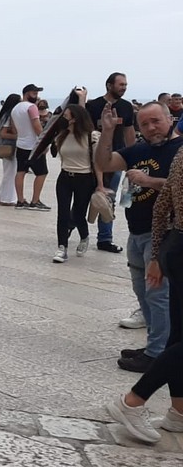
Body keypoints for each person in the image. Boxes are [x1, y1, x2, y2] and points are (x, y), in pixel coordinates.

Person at [94, 101, 183, 373]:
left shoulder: (179, 150)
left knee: (158, 295)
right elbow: (104, 162)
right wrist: (107, 132)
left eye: (156, 121)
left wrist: (150, 182)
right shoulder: (139, 150)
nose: (151, 128)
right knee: (143, 293)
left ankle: (158, 354)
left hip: (165, 234)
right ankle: (154, 345)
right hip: (137, 230)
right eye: (144, 124)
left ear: (170, 119)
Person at [105, 151, 183, 443]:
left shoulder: (180, 154)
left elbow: (163, 204)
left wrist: (158, 253)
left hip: (177, 247)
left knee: (178, 337)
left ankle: (178, 411)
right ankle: (132, 401)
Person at [86, 73, 136, 254]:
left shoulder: (126, 107)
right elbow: (87, 132)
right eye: (121, 84)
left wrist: (133, 158)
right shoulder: (93, 106)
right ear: (109, 85)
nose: (124, 87)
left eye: (126, 84)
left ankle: (105, 239)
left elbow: (129, 132)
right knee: (85, 196)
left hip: (117, 158)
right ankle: (71, 229)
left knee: (109, 198)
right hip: (93, 159)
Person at [49, 104, 102, 263]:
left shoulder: (91, 136)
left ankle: (84, 236)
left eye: (66, 116)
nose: (64, 119)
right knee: (63, 213)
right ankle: (62, 247)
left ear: (75, 118)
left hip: (84, 178)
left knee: (78, 214)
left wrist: (100, 184)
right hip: (65, 177)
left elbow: (97, 163)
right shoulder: (61, 136)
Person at [11, 84, 50, 210]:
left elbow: (14, 128)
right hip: (33, 145)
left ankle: (20, 200)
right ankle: (35, 200)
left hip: (21, 144)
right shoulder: (32, 107)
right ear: (26, 93)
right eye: (34, 93)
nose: (36, 96)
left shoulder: (15, 108)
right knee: (42, 172)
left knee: (20, 172)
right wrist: (44, 143)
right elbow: (37, 126)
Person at [0, 93, 21, 206]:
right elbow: (3, 133)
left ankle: (1, 196)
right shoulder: (10, 116)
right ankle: (8, 198)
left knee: (8, 173)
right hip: (10, 146)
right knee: (11, 173)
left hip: (5, 146)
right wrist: (19, 137)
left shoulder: (4, 114)